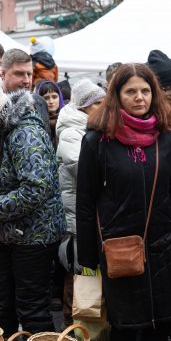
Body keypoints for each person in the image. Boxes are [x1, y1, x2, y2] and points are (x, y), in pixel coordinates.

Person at [76, 63, 171, 341]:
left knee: (162, 329)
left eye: (145, 90)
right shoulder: (97, 140)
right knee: (126, 333)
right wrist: (88, 257)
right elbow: (86, 201)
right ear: (116, 95)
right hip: (121, 252)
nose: (139, 97)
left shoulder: (166, 137)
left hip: (163, 247)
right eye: (131, 91)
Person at [0, 55, 66, 336]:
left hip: (35, 236)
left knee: (32, 310)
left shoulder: (25, 132)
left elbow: (37, 187)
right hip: (8, 233)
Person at [56, 79, 106, 323]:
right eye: (98, 103)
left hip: (90, 214)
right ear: (85, 106)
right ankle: (73, 332)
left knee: (88, 275)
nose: (104, 106)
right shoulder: (71, 131)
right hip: (77, 217)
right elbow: (81, 167)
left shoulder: (91, 128)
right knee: (78, 277)